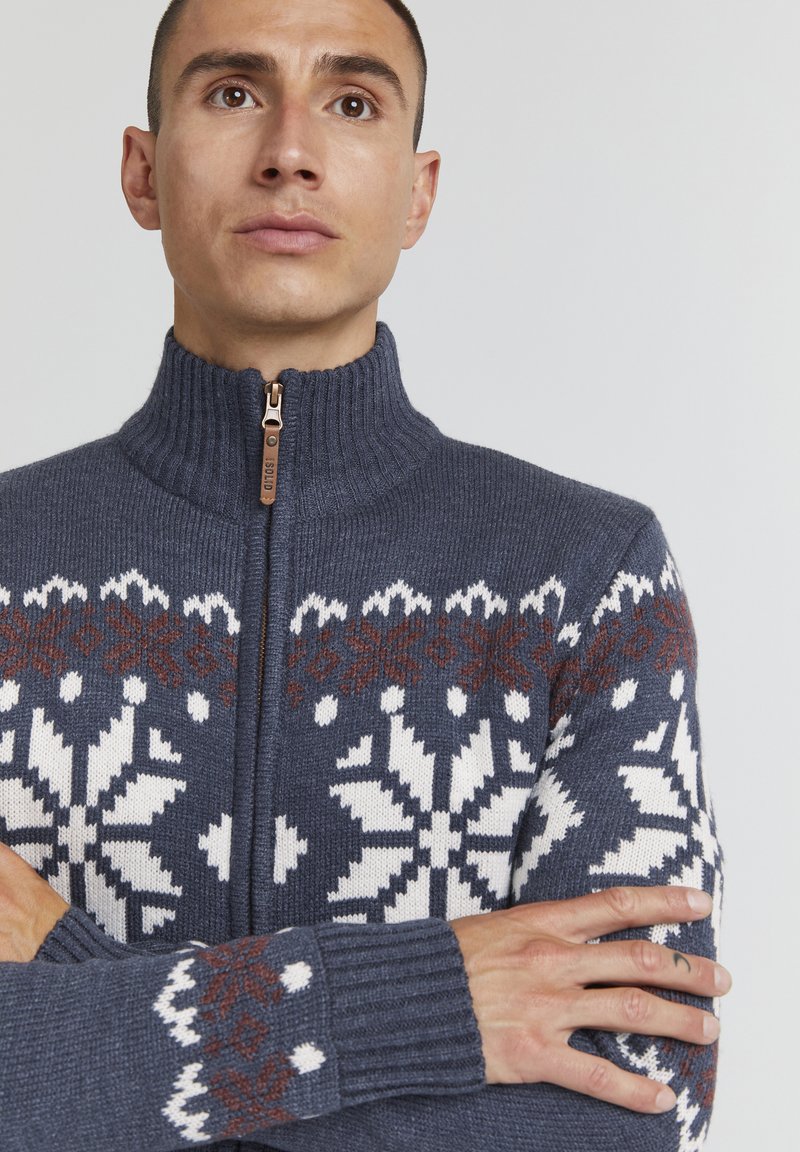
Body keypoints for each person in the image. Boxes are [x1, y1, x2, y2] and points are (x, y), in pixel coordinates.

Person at [0, 0, 728, 1149]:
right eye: (232, 92)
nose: (289, 151)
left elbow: (633, 1105)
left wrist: (67, 986)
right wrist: (423, 1006)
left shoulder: (588, 581)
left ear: (417, 192)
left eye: (350, 102)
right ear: (142, 172)